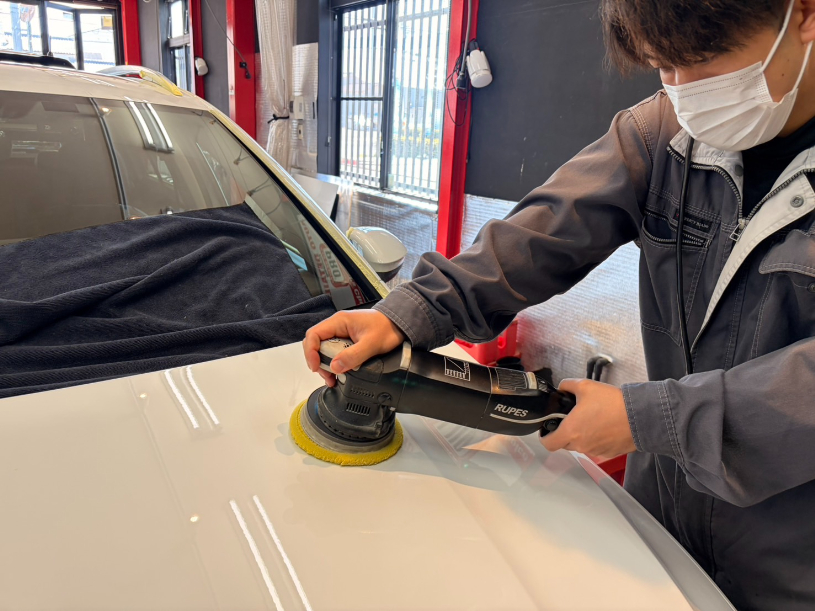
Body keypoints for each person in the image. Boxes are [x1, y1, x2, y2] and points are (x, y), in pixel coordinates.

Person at [303, 1, 815, 608]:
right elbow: (542, 232)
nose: (682, 90)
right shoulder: (663, 135)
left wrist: (651, 420)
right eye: (662, 66)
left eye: (701, 61)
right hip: (657, 519)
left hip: (790, 565)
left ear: (803, 14)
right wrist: (410, 311)